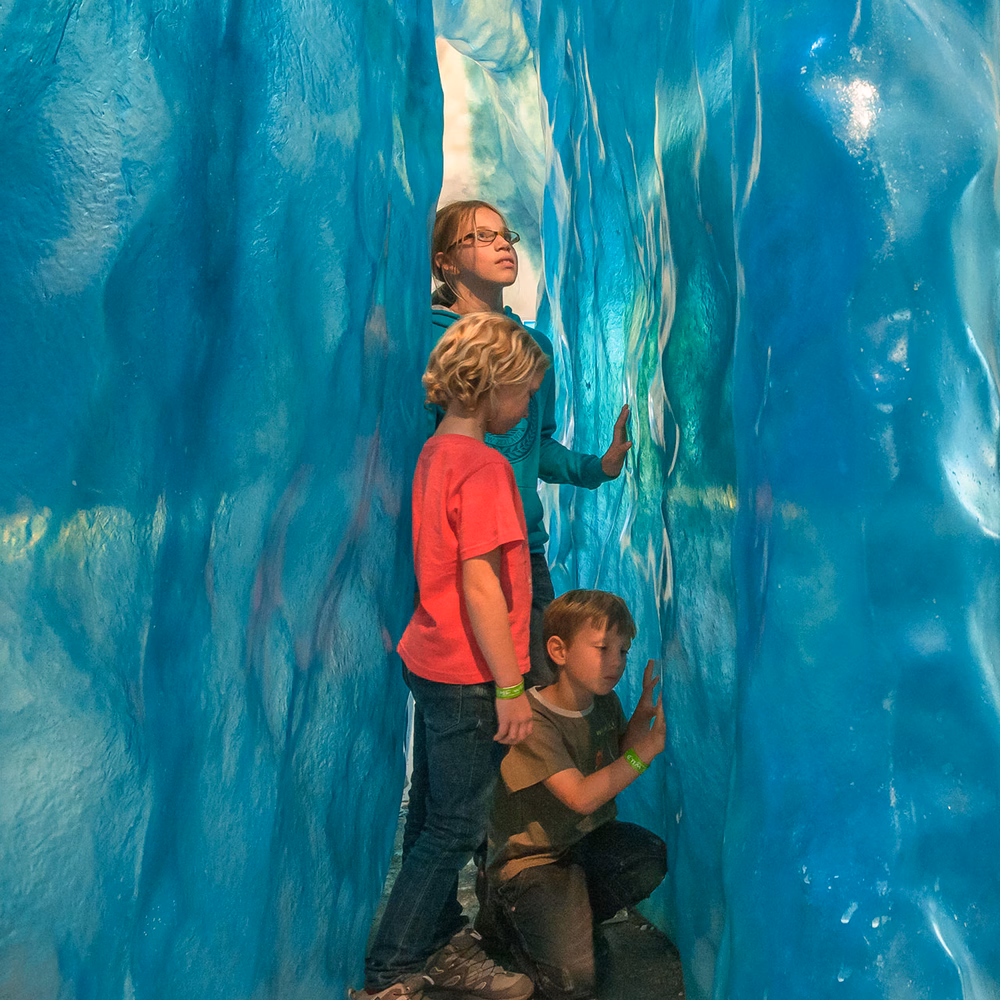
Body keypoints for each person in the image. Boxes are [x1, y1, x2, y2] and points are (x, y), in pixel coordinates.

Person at [352, 314, 550, 1000]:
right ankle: (392, 969)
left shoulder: (435, 453)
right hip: (472, 675)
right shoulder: (486, 467)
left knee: (432, 813)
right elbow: (481, 584)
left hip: (433, 660)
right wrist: (510, 687)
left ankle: (435, 933)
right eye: (524, 392)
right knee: (456, 825)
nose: (527, 407)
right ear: (491, 385)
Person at [431, 200, 632, 686]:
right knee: (466, 697)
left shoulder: (534, 346)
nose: (503, 244)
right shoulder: (432, 338)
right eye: (482, 236)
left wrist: (597, 467)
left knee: (538, 690)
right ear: (445, 261)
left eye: (506, 235)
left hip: (523, 549)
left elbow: (534, 444)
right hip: (455, 556)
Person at [476, 589, 668, 1000]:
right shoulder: (532, 718)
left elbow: (617, 754)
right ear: (558, 651)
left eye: (623, 651)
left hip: (581, 845)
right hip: (532, 861)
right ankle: (504, 918)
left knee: (647, 856)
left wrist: (640, 718)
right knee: (573, 984)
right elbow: (581, 797)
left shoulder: (604, 703)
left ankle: (570, 922)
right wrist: (647, 751)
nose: (616, 661)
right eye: (603, 648)